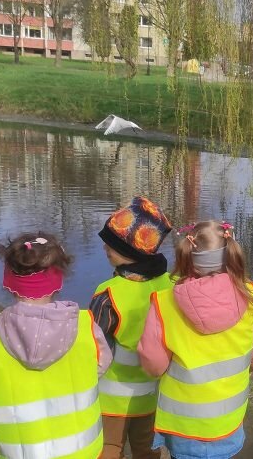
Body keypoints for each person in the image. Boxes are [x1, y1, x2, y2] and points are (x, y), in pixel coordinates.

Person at [137, 220, 253, 459]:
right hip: (228, 418)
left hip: (184, 426)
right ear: (230, 254)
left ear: (187, 256)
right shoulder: (249, 295)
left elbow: (153, 363)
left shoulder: (164, 303)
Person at [0, 232, 112, 459]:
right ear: (58, 280)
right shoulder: (86, 325)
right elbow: (101, 364)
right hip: (82, 449)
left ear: (8, 282)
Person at [89, 196, 175, 459]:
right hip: (153, 395)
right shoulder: (169, 286)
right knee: (147, 450)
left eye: (112, 244)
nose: (105, 247)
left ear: (132, 252)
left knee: (109, 449)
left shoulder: (109, 294)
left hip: (111, 398)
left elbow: (93, 347)